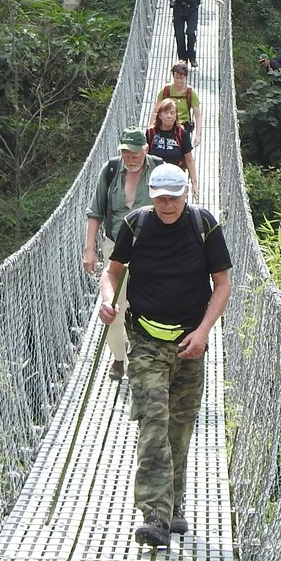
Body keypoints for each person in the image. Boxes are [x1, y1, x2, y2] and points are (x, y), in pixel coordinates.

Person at [97, 163, 232, 548]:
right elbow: (113, 271)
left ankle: (174, 507)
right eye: (161, 198)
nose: (168, 204)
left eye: (174, 197)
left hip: (190, 342)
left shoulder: (204, 225)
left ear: (186, 193)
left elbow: (222, 284)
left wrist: (204, 332)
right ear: (152, 197)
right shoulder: (137, 225)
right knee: (154, 423)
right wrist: (108, 301)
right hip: (146, 341)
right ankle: (155, 515)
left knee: (179, 429)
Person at [84, 128, 164, 381]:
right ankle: (120, 358)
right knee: (113, 306)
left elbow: (174, 206)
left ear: (146, 150)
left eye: (135, 154)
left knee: (151, 305)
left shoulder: (159, 170)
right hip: (116, 247)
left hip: (152, 250)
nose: (130, 159)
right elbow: (95, 211)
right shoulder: (109, 171)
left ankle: (147, 360)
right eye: (126, 153)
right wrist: (89, 250)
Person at [145, 97, 197, 200]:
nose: (169, 116)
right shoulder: (150, 133)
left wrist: (194, 183)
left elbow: (189, 160)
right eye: (166, 112)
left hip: (176, 179)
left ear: (176, 116)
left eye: (172, 113)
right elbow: (143, 157)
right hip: (156, 179)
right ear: (159, 115)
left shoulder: (181, 134)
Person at [156, 61, 201, 147]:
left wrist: (198, 135)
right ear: (173, 76)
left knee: (183, 152)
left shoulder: (190, 93)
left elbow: (198, 115)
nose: (179, 81)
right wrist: (151, 128)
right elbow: (156, 110)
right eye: (177, 78)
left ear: (186, 77)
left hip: (184, 128)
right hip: (166, 124)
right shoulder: (166, 91)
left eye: (182, 78)